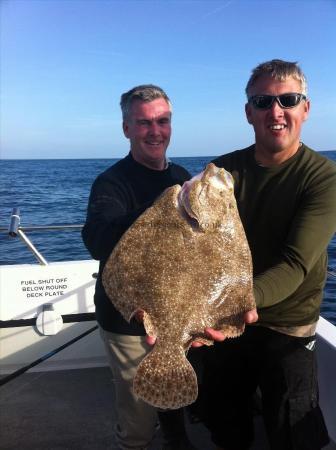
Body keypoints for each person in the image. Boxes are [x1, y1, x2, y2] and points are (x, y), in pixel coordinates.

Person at [198, 59, 336, 450]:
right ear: (249, 112)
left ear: (305, 109)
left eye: (287, 100)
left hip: (287, 323)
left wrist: (242, 300)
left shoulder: (323, 177)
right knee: (225, 420)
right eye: (263, 101)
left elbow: (296, 263)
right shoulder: (221, 173)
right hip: (226, 321)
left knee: (292, 430)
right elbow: (194, 248)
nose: (275, 111)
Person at [82, 84, 194, 450]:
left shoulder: (181, 177)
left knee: (173, 387)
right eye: (143, 122)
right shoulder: (111, 183)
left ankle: (176, 440)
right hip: (127, 319)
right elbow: (97, 239)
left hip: (175, 312)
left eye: (162, 121)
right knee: (137, 416)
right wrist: (161, 209)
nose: (155, 131)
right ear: (126, 128)